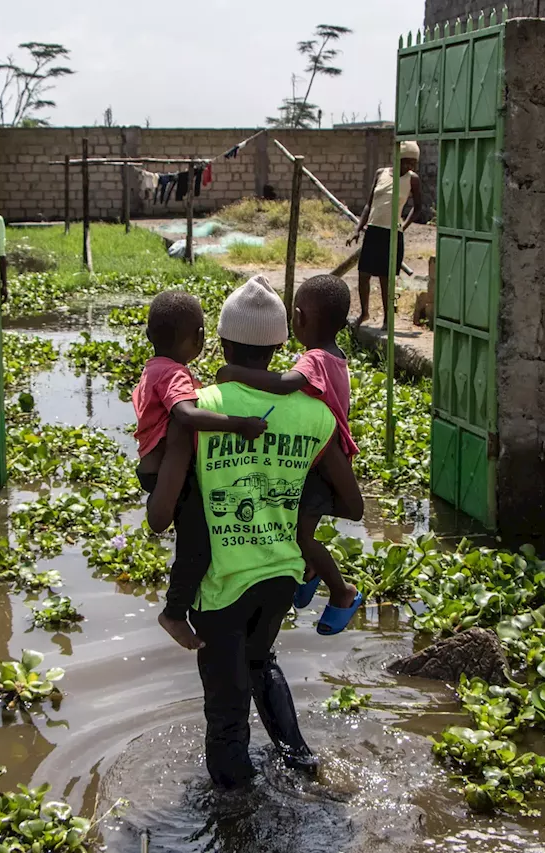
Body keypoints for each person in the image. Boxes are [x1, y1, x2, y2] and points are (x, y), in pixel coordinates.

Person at [148, 277, 366, 789]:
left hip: (221, 583)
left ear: (219, 343)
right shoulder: (316, 414)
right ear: (279, 345)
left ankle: (236, 818)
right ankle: (302, 764)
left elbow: (162, 516)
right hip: (281, 576)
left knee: (226, 713)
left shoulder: (200, 407)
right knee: (260, 660)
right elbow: (353, 506)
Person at [215, 274, 362, 634]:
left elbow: (284, 385)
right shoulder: (334, 355)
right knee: (299, 526)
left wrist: (234, 374)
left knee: (300, 535)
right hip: (321, 455)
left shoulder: (313, 359)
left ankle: (342, 591)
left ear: (298, 318)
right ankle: (308, 570)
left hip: (321, 460)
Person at [132, 289, 269, 651]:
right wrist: (240, 424)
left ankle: (180, 607)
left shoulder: (152, 370)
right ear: (199, 338)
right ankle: (174, 612)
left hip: (154, 469)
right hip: (168, 473)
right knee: (198, 547)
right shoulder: (174, 373)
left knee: (195, 540)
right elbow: (186, 415)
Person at [348, 141, 425, 329]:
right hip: (374, 230)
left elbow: (418, 207)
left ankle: (387, 319)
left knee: (387, 278)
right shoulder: (381, 174)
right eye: (406, 162)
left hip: (393, 234)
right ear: (397, 159)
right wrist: (358, 229)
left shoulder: (412, 179)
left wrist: (403, 226)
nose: (409, 167)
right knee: (363, 274)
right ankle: (364, 313)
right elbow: (369, 204)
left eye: (412, 164)